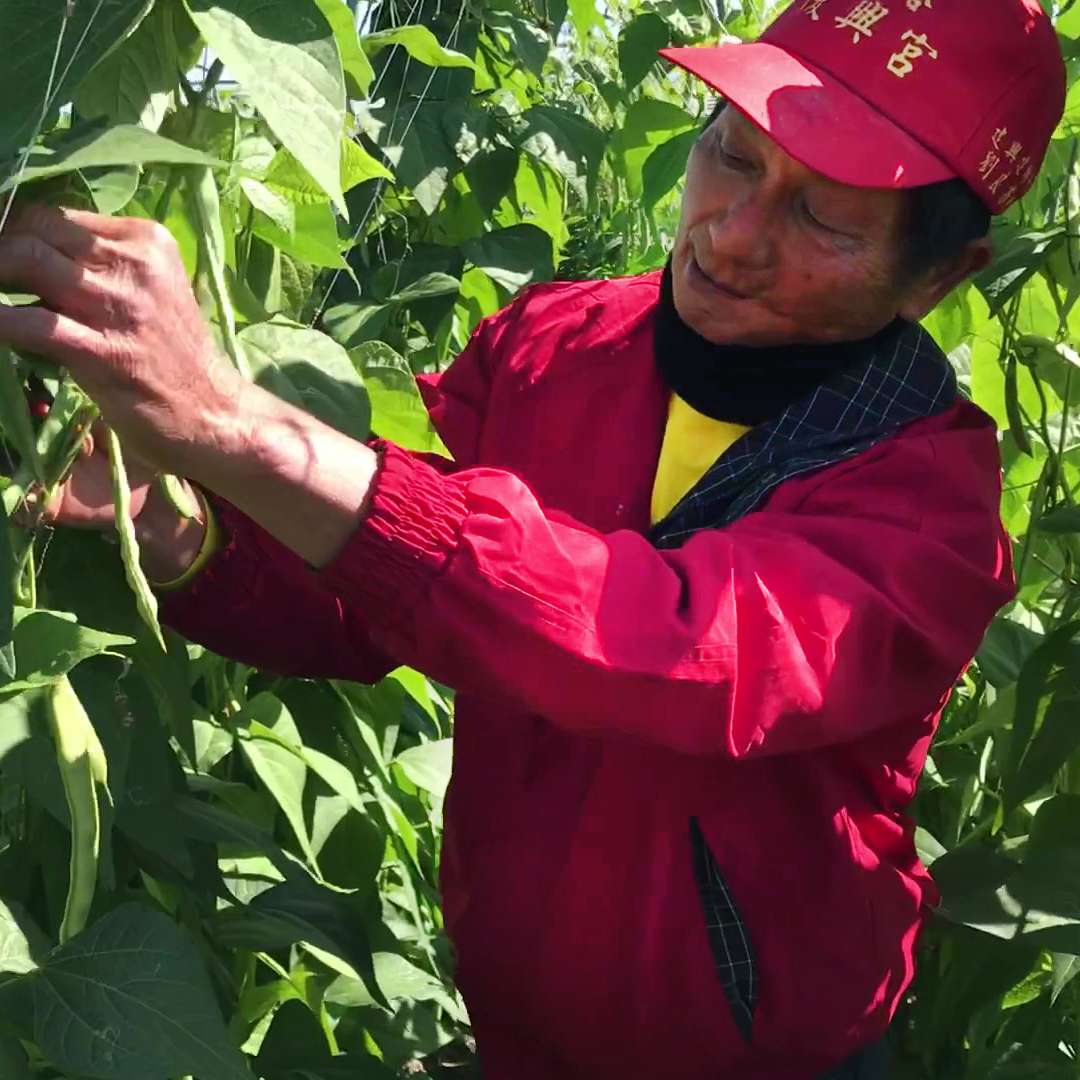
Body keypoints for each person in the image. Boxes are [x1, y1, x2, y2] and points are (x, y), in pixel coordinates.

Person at [0, 0, 1065, 1076]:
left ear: (940, 275)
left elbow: (666, 647)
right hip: (515, 1028)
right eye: (732, 156)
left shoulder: (930, 513)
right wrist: (162, 519)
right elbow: (377, 598)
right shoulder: (558, 344)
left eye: (825, 219)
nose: (733, 234)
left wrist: (238, 425)